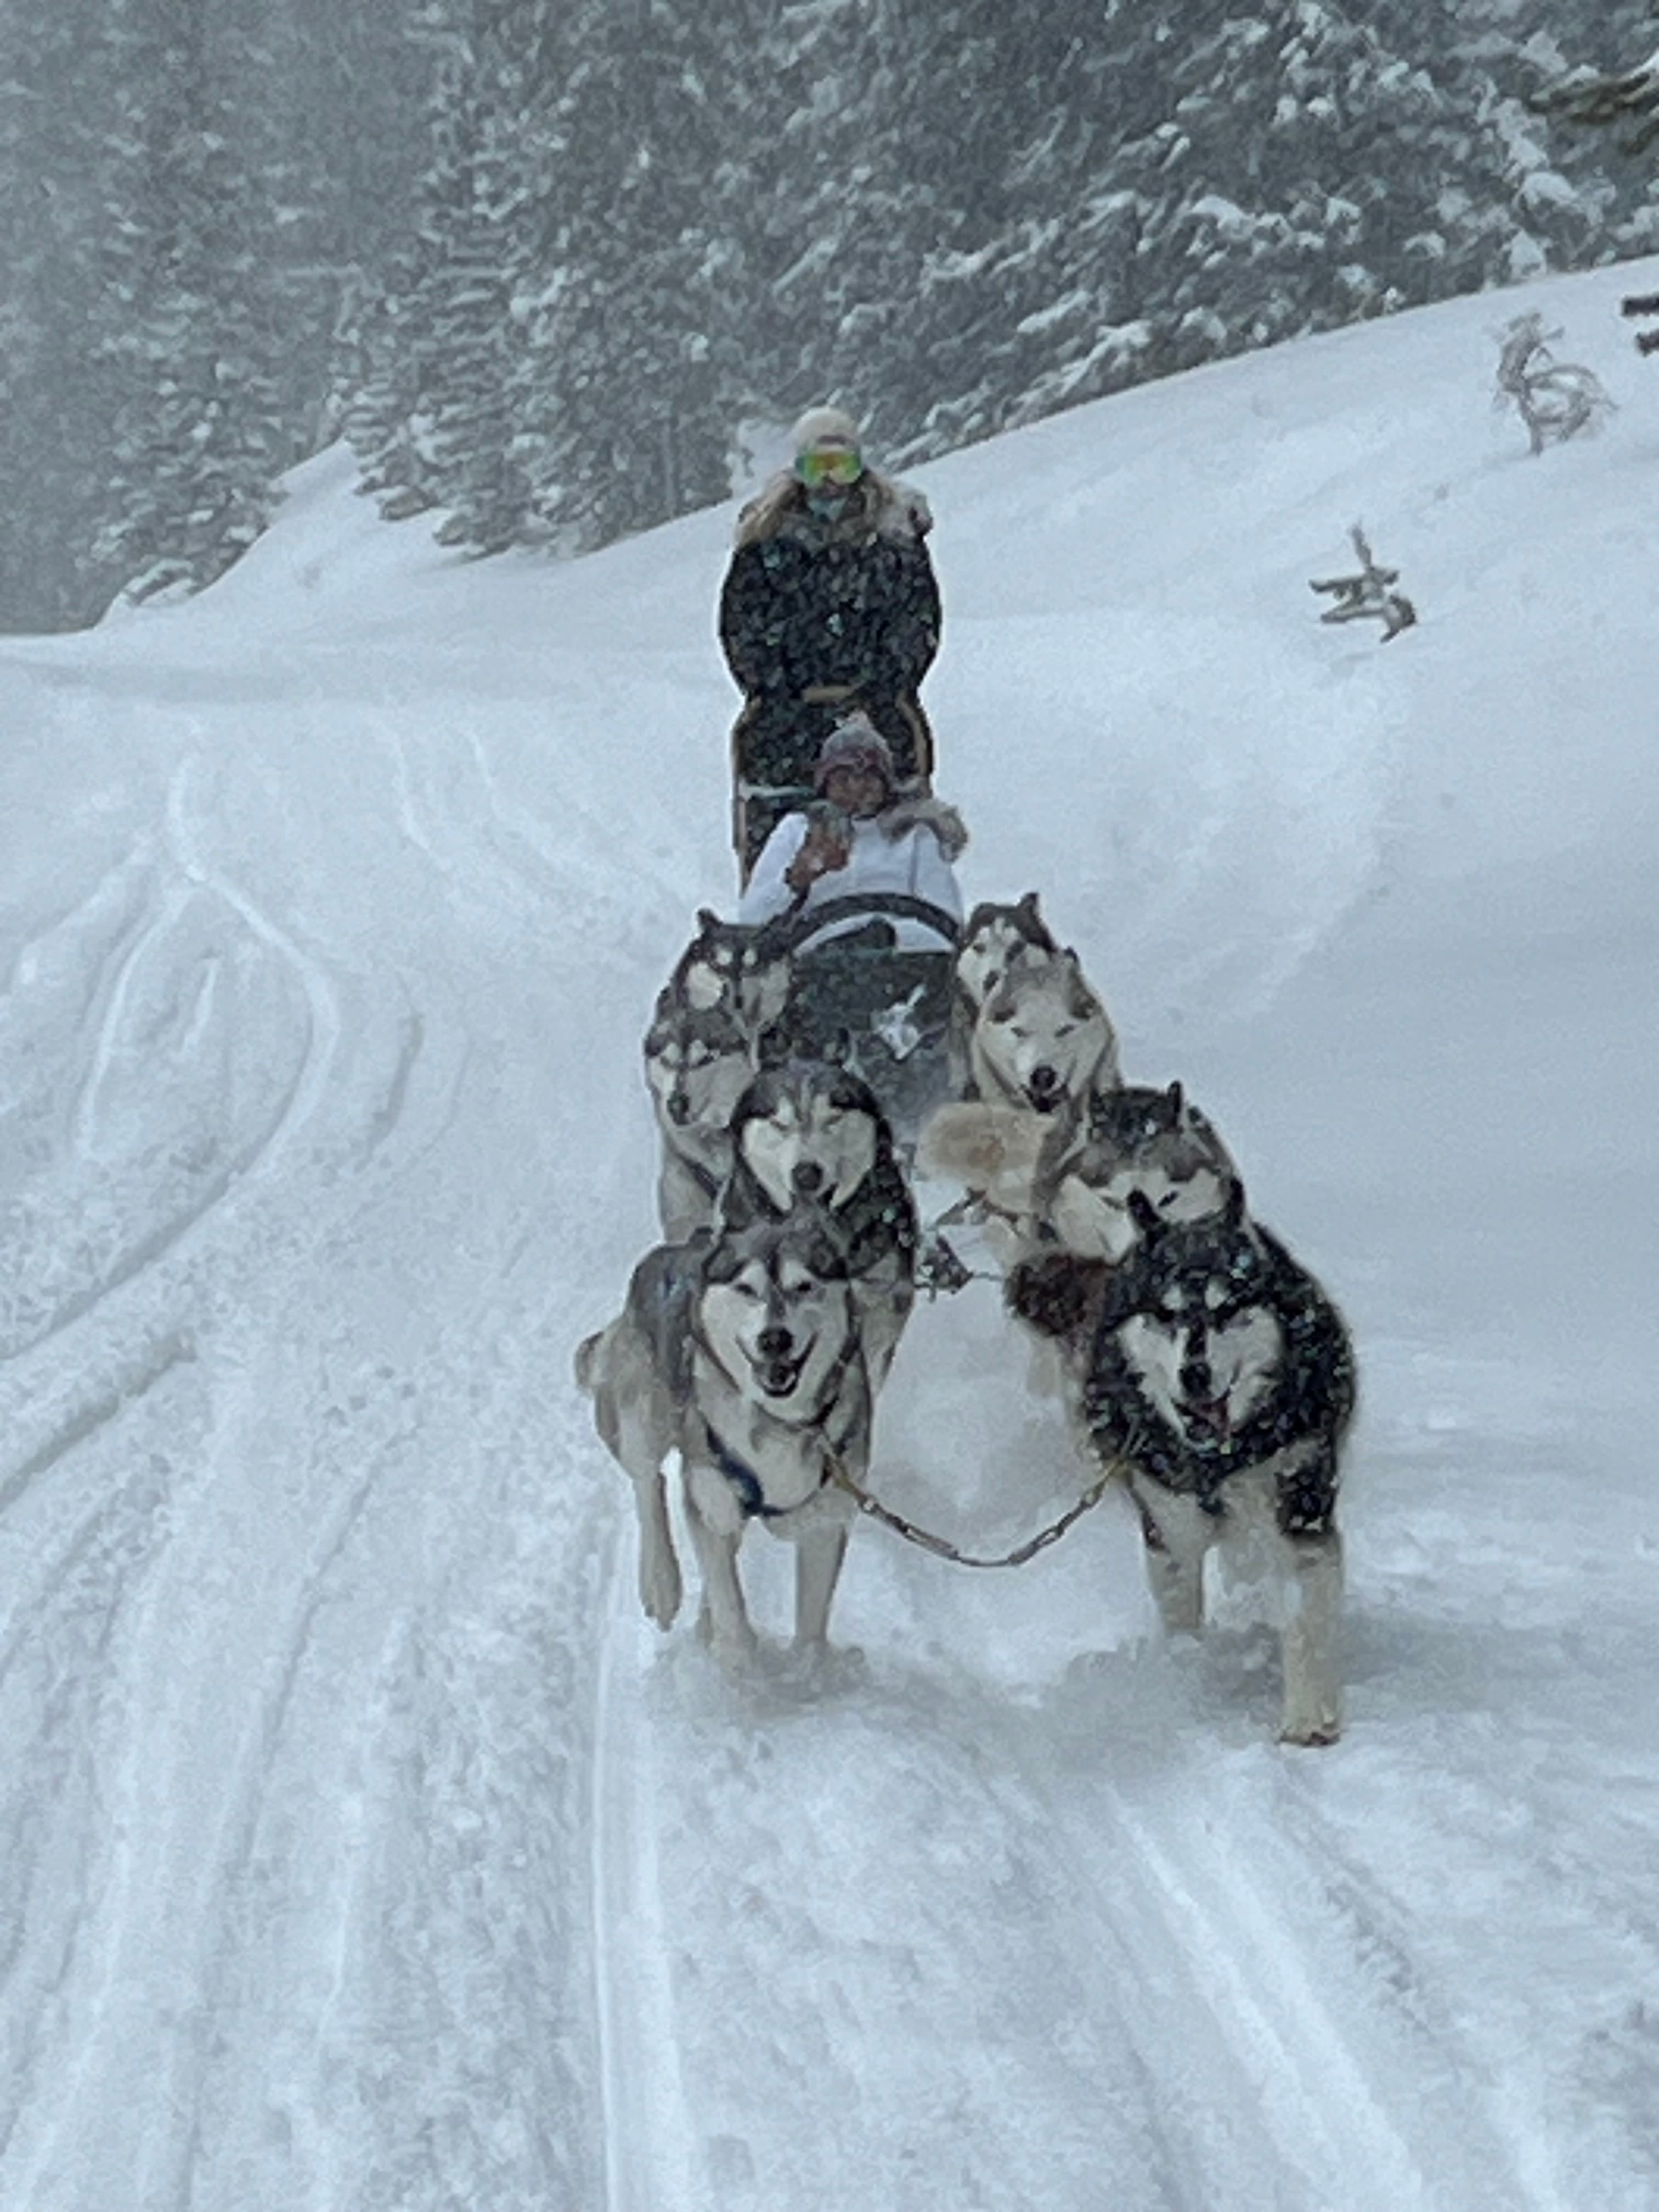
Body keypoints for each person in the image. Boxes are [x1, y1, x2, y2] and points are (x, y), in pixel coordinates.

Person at [720, 405, 942, 880]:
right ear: (798, 472)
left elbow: (918, 619)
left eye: (841, 467)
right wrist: (780, 685)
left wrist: (881, 683)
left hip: (881, 713)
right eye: (816, 469)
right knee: (780, 824)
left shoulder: (894, 543)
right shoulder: (766, 542)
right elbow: (742, 625)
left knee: (896, 822)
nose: (830, 483)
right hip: (786, 722)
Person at [738, 716, 966, 958]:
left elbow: (946, 919)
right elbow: (751, 919)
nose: (857, 787)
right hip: (815, 965)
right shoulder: (797, 830)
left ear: (886, 783)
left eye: (869, 776)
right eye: (844, 777)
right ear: (825, 784)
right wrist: (798, 877)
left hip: (904, 960)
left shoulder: (915, 835)